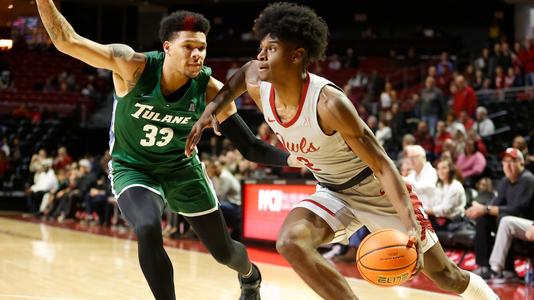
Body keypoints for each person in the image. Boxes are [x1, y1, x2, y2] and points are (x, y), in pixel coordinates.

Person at [185, 3, 499, 299]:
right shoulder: (258, 80)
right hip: (332, 189)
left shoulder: (328, 104)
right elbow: (239, 77)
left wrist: (409, 224)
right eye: (262, 48)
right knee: (290, 242)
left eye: (271, 49)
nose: (261, 57)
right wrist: (212, 108)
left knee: (445, 276)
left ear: (297, 56)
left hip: (375, 189)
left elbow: (382, 164)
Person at [36, 1, 298, 299]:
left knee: (224, 252)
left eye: (202, 47)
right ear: (167, 48)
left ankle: (250, 275)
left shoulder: (211, 89)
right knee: (148, 227)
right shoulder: (132, 66)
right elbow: (66, 41)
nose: (197, 53)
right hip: (133, 167)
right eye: (188, 46)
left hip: (182, 170)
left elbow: (250, 147)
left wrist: (297, 158)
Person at [466, 147, 534, 279]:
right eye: (505, 161)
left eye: (512, 161)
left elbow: (518, 209)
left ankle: (505, 269)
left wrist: (486, 208)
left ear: (521, 163)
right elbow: (495, 205)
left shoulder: (527, 179)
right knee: (483, 218)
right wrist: (480, 208)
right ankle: (484, 266)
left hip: (526, 222)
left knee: (502, 217)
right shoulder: (504, 181)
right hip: (509, 220)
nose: (507, 165)